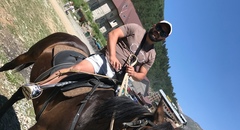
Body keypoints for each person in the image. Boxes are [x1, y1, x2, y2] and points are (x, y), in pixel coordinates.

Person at [22, 20, 172, 99]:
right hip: (104, 61)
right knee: (77, 69)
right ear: (154, 25)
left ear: (164, 39)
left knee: (105, 109)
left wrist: (133, 73)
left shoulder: (152, 55)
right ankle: (38, 87)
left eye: (163, 33)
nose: (158, 32)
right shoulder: (135, 29)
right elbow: (113, 35)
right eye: (159, 28)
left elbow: (142, 75)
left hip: (116, 79)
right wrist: (112, 56)